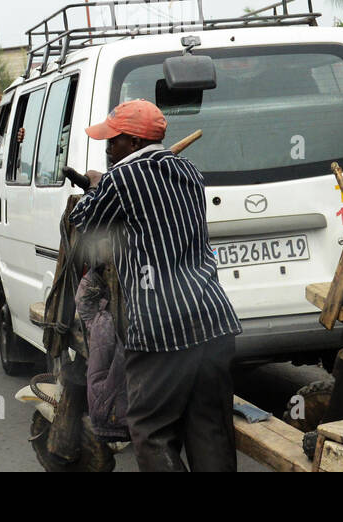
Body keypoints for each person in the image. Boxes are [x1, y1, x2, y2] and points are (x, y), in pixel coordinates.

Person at [69, 99, 242, 471]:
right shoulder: (189, 171)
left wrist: (95, 187)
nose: (108, 149)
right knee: (209, 427)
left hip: (160, 328)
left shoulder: (121, 179)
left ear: (132, 143)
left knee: (150, 430)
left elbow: (84, 222)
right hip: (212, 320)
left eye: (112, 142)